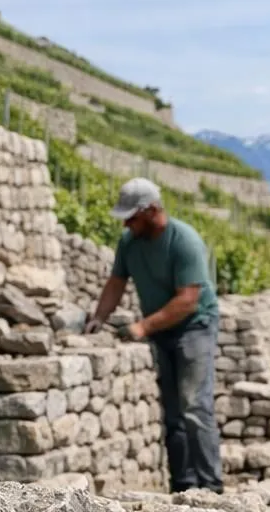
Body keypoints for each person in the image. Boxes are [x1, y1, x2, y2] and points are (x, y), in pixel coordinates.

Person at [85, 177, 223, 493]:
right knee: (173, 412)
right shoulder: (129, 243)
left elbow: (188, 299)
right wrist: (98, 319)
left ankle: (211, 486)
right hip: (162, 328)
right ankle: (183, 486)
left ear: (150, 211)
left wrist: (143, 327)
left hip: (194, 326)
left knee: (194, 405)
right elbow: (116, 283)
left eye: (132, 217)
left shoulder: (183, 241)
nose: (127, 224)